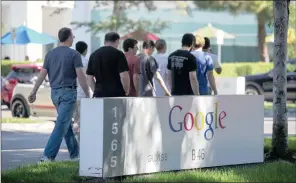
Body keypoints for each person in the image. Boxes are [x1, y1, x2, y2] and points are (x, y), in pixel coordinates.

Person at [27, 27, 90, 162]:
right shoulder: (74, 54)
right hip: (68, 93)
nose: (74, 38)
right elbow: (81, 77)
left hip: (55, 94)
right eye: (73, 36)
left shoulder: (50, 54)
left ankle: (75, 155)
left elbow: (43, 74)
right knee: (62, 124)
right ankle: (47, 157)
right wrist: (88, 93)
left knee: (65, 125)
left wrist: (34, 91)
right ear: (67, 37)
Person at [86, 32, 130, 97]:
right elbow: (124, 76)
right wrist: (126, 91)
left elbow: (89, 78)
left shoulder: (93, 55)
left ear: (105, 41)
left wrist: (96, 90)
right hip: (116, 93)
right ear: (116, 41)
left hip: (99, 93)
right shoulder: (118, 54)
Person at [73, 41, 93, 144]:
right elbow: (88, 78)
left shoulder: (72, 60)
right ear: (85, 50)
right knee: (81, 119)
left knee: (75, 119)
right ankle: (79, 140)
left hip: (72, 93)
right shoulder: (85, 61)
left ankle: (75, 139)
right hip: (83, 93)